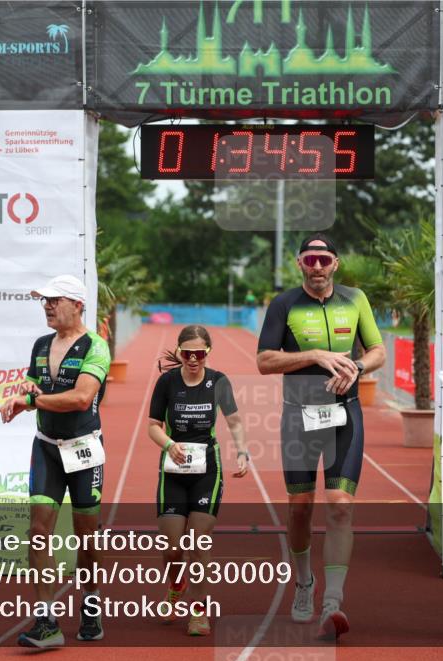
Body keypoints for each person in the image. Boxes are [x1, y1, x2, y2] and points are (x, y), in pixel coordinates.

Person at [256, 233, 386, 640]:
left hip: (344, 415)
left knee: (341, 504)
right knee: (300, 508)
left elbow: (378, 350)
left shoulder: (356, 298)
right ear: (299, 264)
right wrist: (314, 356)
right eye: (310, 260)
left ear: (336, 263)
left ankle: (333, 600)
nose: (317, 267)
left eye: (323, 260)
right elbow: (263, 360)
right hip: (299, 417)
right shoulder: (284, 304)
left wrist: (359, 368)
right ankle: (303, 583)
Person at [0, 274, 111, 646]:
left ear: (76, 304)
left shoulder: (96, 346)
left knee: (85, 538)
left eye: (54, 299)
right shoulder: (41, 344)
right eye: (43, 300)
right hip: (46, 447)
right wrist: (26, 391)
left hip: (84, 449)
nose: (46, 305)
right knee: (39, 533)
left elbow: (79, 398)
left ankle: (90, 604)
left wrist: (29, 401)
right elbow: (34, 384)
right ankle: (47, 620)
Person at [147, 325, 249, 637]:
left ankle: (199, 611)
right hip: (174, 470)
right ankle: (177, 584)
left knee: (198, 541)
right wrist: (168, 445)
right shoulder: (167, 382)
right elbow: (153, 425)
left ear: (208, 353)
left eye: (199, 353)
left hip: (207, 470)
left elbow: (234, 420)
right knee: (171, 546)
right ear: (179, 352)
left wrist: (242, 452)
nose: (193, 359)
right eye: (187, 353)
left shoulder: (218, 381)